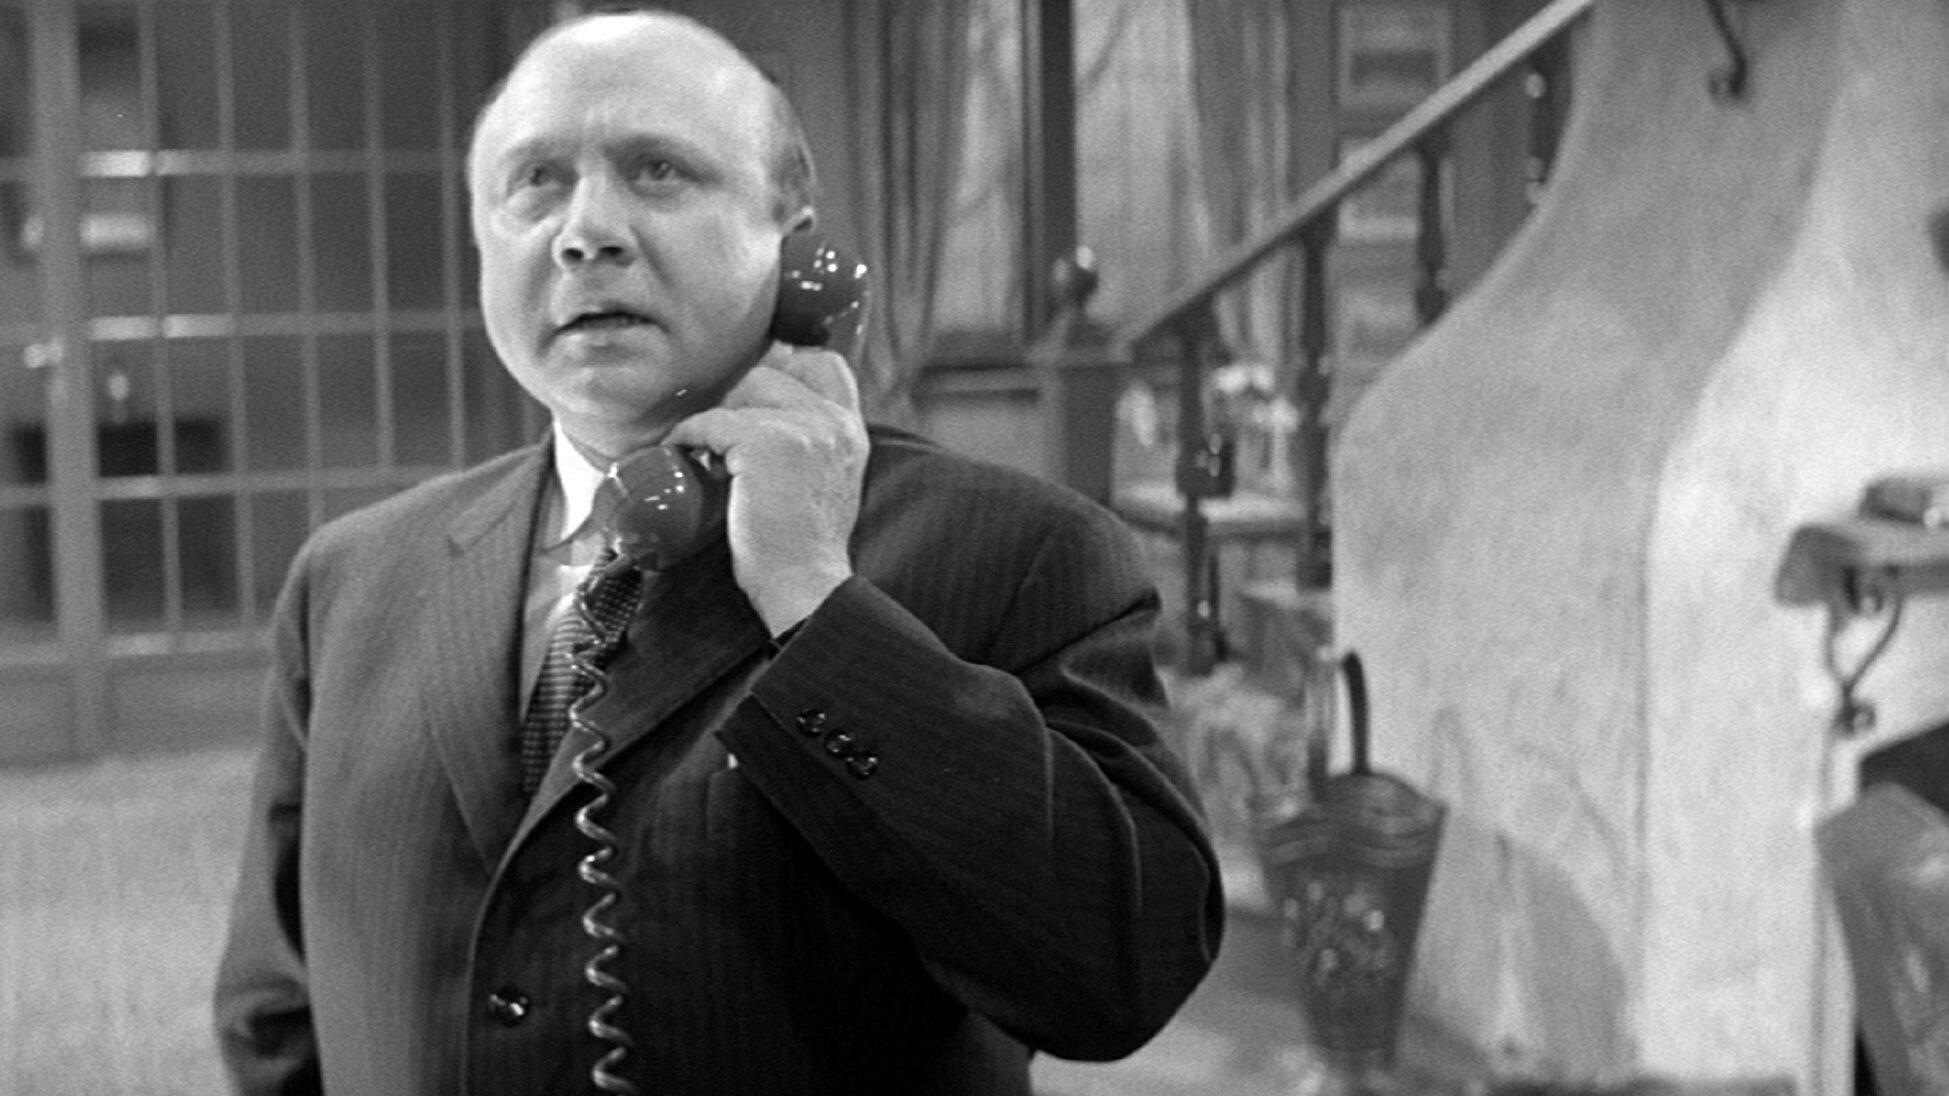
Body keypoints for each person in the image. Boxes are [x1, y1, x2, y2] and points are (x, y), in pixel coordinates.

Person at [213, 8, 1223, 1095]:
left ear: (799, 250)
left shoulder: (1019, 554)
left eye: (658, 171)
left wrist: (814, 601)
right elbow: (277, 1014)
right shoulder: (350, 579)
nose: (584, 232)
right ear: (481, 244)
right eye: (536, 183)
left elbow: (1121, 968)